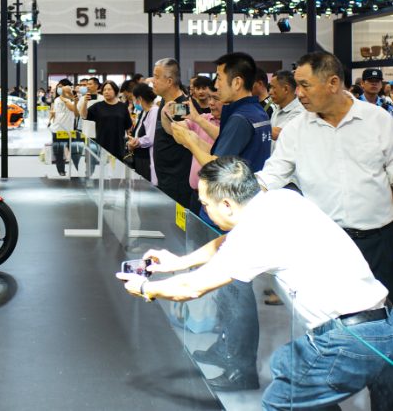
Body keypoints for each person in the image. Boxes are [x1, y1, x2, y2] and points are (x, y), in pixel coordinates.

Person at [117, 156, 392, 410]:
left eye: (206, 204)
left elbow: (192, 288)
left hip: (346, 340)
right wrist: (179, 262)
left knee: (279, 403)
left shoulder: (255, 234)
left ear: (227, 205)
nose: (205, 210)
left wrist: (144, 288)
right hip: (383, 324)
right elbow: (229, 241)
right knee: (288, 366)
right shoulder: (282, 199)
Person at [256, 52, 393, 293]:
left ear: (332, 83)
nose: (299, 93)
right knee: (331, 312)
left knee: (382, 311)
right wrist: (239, 196)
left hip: (379, 243)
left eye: (305, 85)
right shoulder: (295, 130)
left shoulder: (378, 120)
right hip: (325, 246)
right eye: (297, 85)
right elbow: (272, 176)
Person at [173, 81, 222, 216]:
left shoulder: (231, 125)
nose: (211, 102)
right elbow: (174, 126)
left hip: (215, 197)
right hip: (196, 193)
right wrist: (166, 117)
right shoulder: (203, 117)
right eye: (210, 98)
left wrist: (192, 142)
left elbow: (217, 157)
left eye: (215, 98)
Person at [151, 58, 194, 206]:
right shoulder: (166, 101)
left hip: (177, 182)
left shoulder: (182, 107)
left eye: (156, 77)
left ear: (169, 81)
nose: (153, 81)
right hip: (165, 178)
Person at [82, 81, 133, 161]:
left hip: (118, 144)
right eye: (104, 90)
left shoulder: (122, 106)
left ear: (115, 91)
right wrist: (85, 102)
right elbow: (84, 115)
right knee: (103, 166)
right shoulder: (98, 106)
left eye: (109, 89)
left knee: (118, 166)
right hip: (102, 143)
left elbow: (128, 126)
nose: (106, 92)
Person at [128, 83, 159, 184]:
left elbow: (150, 138)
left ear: (140, 98)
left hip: (147, 159)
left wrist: (134, 142)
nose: (134, 103)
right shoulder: (143, 112)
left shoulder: (154, 112)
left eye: (134, 99)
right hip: (139, 157)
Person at [268, 69, 304, 151]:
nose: (270, 92)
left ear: (285, 89)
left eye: (273, 87)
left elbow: (280, 133)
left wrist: (256, 127)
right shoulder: (277, 109)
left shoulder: (299, 111)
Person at [48, 79, 77, 177]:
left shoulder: (72, 99)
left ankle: (78, 171)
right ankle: (61, 171)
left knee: (74, 150)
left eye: (61, 86)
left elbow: (73, 109)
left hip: (69, 130)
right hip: (57, 129)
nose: (59, 88)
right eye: (58, 86)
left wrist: (66, 98)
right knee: (58, 152)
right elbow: (55, 112)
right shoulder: (56, 99)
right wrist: (51, 121)